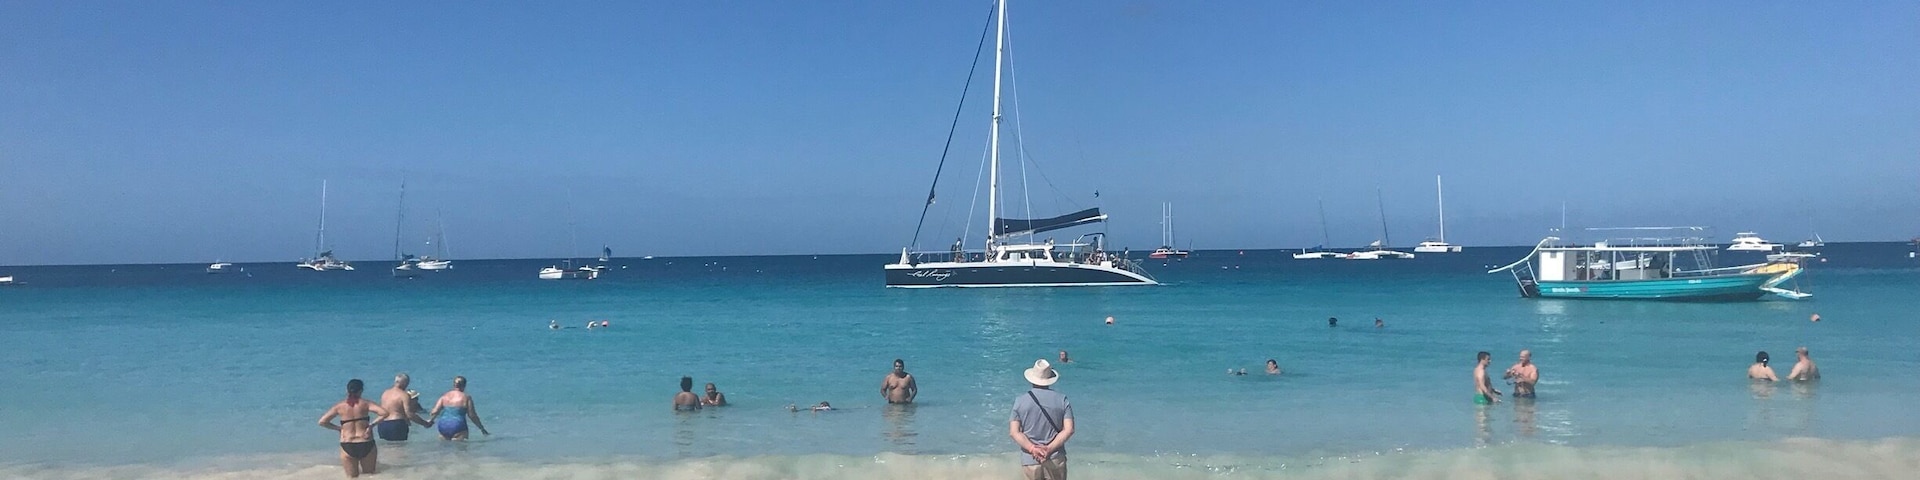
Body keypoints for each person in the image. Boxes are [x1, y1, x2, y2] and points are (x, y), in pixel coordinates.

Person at [1010, 359, 1073, 480]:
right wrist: (1049, 449)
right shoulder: (1062, 399)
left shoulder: (1020, 401)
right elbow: (1069, 430)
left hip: (1030, 459)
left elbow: (1014, 432)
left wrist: (1032, 449)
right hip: (1055, 457)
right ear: (1050, 379)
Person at [318, 379, 391, 478]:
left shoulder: (340, 406)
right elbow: (384, 413)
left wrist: (339, 429)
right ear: (361, 391)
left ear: (347, 391)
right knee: (370, 476)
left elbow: (322, 422)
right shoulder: (365, 403)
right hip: (366, 442)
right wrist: (371, 426)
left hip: (347, 443)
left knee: (352, 478)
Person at [425, 376, 490, 440]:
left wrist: (431, 420)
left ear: (454, 385)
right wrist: (482, 428)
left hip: (443, 425)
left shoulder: (444, 396)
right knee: (460, 449)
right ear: (464, 385)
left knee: (444, 449)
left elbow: (435, 411)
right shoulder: (466, 397)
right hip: (458, 425)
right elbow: (472, 415)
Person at [375, 373, 431, 441]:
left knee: (386, 449)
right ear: (405, 383)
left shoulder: (385, 393)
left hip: (382, 424)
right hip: (396, 425)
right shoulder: (404, 395)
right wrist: (424, 423)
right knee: (400, 450)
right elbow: (409, 414)